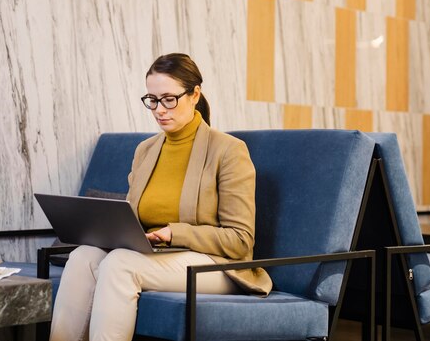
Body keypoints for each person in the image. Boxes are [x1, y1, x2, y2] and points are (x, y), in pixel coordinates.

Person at [49, 53, 272, 341]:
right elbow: (134, 217)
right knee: (82, 257)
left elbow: (240, 240)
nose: (159, 110)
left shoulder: (228, 150)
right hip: (157, 255)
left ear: (194, 94)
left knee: (120, 264)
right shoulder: (145, 150)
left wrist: (173, 234)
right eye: (152, 100)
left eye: (169, 99)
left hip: (217, 265)